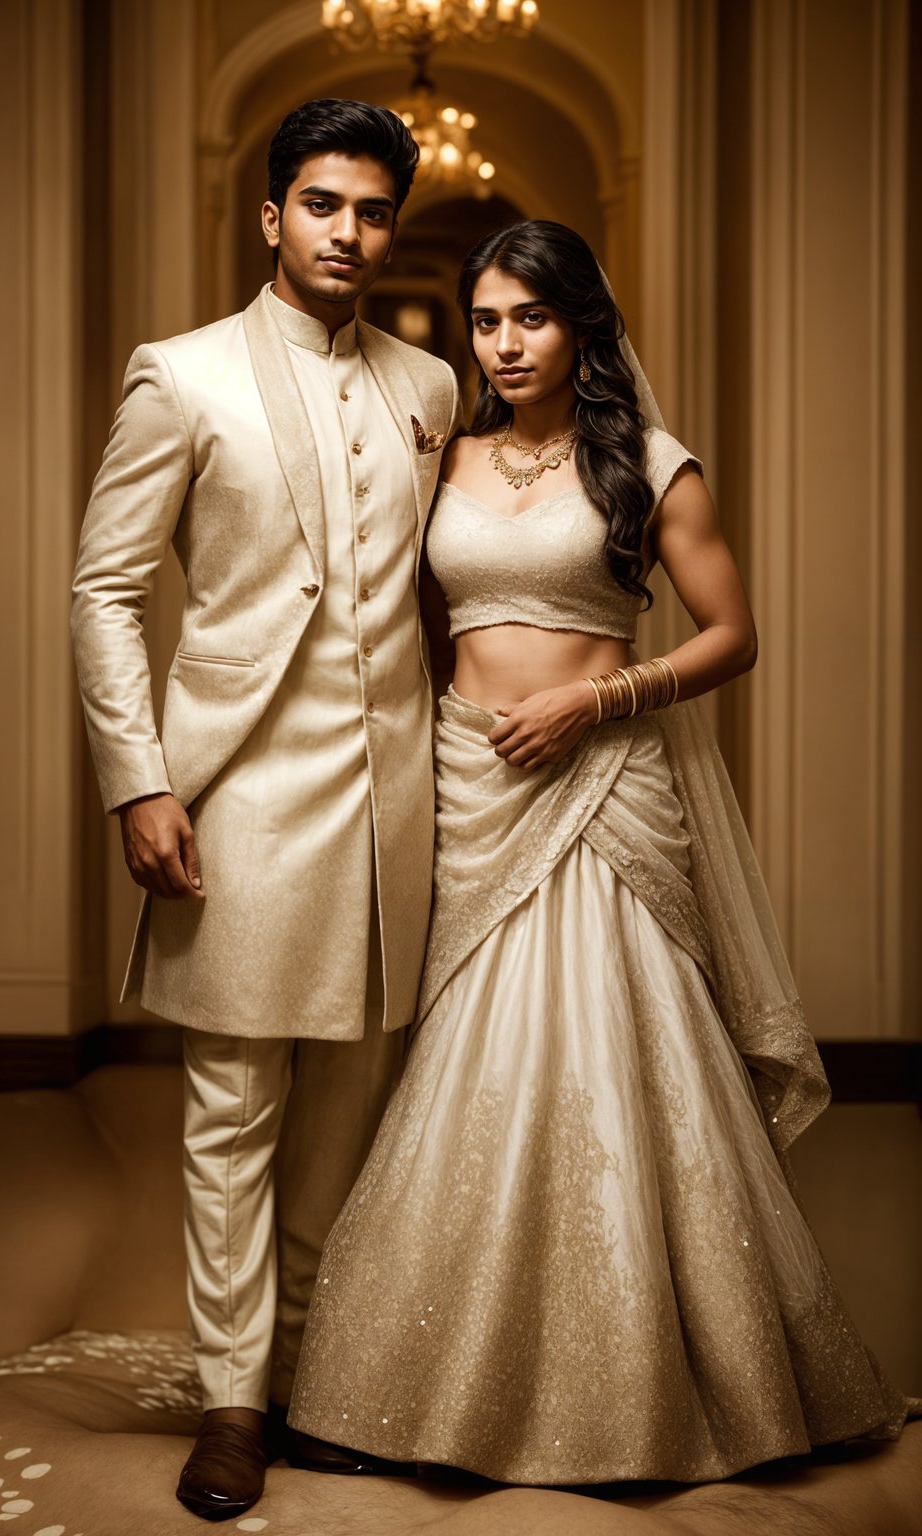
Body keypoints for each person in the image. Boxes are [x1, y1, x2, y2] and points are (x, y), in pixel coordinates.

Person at [286, 220, 912, 1485]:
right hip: (471, 782)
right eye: (485, 321)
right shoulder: (440, 460)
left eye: (531, 318)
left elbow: (731, 634)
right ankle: (417, 1386)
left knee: (616, 1056)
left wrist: (598, 702)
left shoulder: (651, 468)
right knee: (464, 1060)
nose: (504, 344)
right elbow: (395, 627)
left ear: (584, 326)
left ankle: (642, 1392)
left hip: (606, 782)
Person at [70, 99, 459, 1520]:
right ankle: (234, 1403)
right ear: (270, 216)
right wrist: (142, 780)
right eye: (322, 205)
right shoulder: (180, 376)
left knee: (352, 1111)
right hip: (236, 793)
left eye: (371, 211)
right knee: (232, 1110)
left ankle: (312, 1385)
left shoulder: (429, 389)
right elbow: (105, 590)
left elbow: (439, 590)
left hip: (400, 808)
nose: (348, 233)